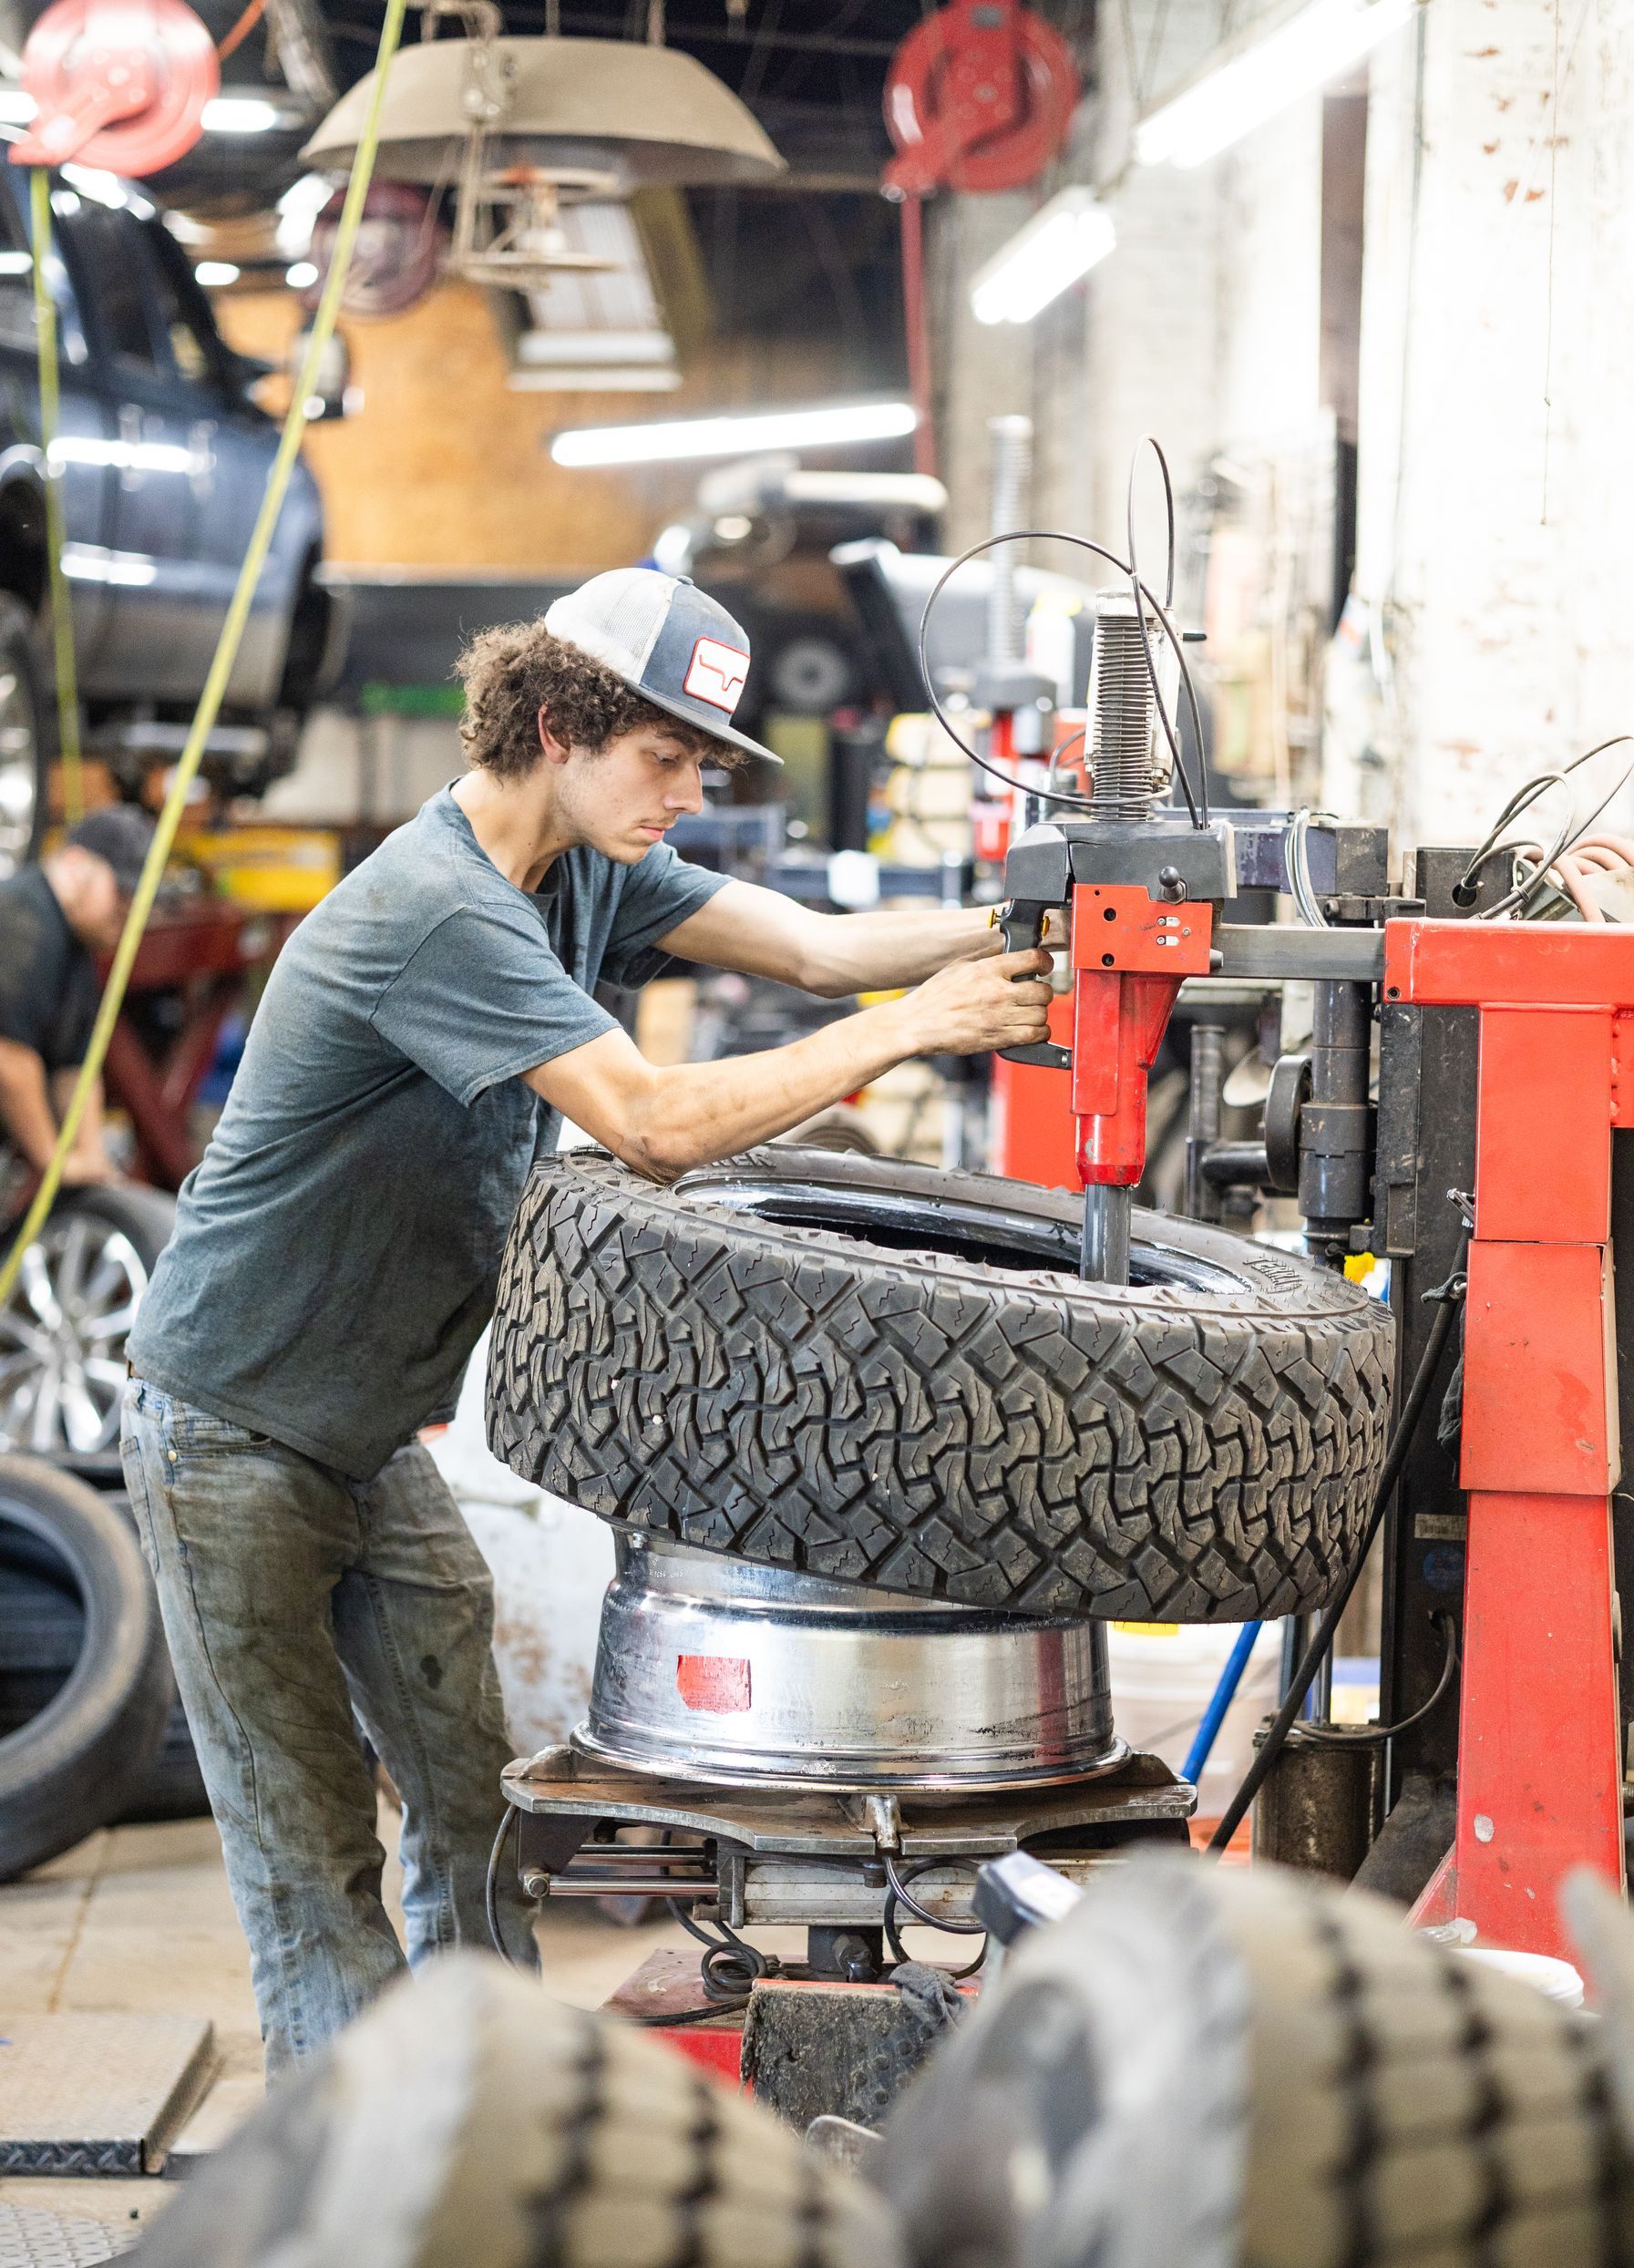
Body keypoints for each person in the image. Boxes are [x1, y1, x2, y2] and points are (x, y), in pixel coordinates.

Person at [121, 570, 1053, 2078]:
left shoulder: (589, 869)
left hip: (358, 1433)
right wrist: (921, 1027)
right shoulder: (438, 909)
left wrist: (1030, 917)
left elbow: (815, 949)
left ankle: (494, 2114)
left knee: (473, 1805)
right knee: (310, 1860)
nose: (687, 793)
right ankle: (357, 2195)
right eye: (666, 757)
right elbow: (651, 1123)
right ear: (557, 724)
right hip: (232, 1427)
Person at [0, 808, 155, 1216]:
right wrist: (55, 1163)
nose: (130, 908)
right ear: (74, 864)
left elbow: (77, 1069)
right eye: (121, 891)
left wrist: (92, 1158)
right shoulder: (24, 917)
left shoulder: (78, 951)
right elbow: (9, 1057)